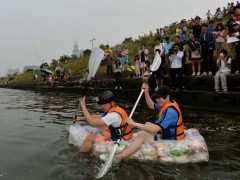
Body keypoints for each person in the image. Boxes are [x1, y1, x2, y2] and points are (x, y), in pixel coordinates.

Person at [113, 85, 185, 162]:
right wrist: (146, 92)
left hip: (172, 140)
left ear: (167, 97)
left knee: (142, 135)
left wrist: (133, 124)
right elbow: (151, 105)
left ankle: (121, 156)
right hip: (165, 134)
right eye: (156, 98)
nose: (157, 100)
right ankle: (131, 147)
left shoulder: (170, 112)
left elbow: (154, 129)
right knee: (147, 123)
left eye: (159, 98)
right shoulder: (166, 103)